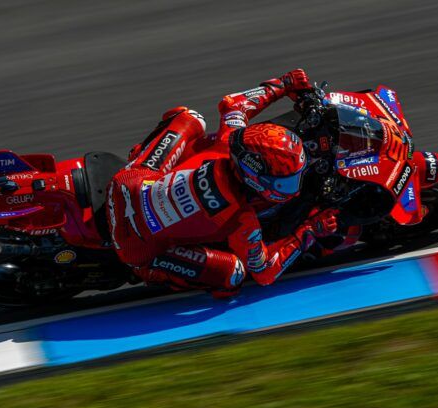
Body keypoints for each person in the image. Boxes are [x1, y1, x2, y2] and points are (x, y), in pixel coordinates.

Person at [106, 69, 339, 297]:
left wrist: (284, 84)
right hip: (135, 247)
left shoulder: (229, 139)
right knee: (233, 275)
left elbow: (233, 104)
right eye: (283, 183)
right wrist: (310, 230)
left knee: (191, 118)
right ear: (256, 179)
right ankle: (150, 270)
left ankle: (140, 153)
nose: (293, 188)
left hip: (125, 183)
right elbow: (265, 273)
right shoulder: (243, 221)